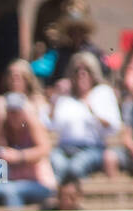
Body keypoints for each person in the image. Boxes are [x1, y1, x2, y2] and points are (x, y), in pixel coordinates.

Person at [48, 52, 120, 181]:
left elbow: (113, 126)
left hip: (92, 148)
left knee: (76, 167)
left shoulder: (103, 92)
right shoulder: (64, 98)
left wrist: (92, 110)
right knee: (56, 163)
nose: (82, 75)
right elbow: (51, 125)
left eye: (86, 70)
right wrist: (56, 97)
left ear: (93, 73)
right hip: (65, 148)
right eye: (77, 71)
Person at [0, 84, 55, 208]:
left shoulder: (32, 122)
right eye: (11, 112)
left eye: (16, 112)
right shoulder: (2, 124)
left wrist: (19, 156)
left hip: (38, 182)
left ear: (23, 111)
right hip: (8, 181)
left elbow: (44, 150)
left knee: (12, 191)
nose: (14, 116)